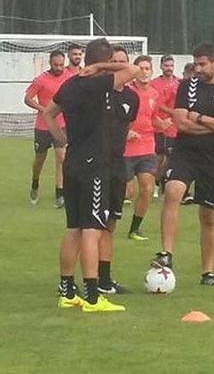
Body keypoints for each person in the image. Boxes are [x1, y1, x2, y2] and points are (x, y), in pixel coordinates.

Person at [44, 37, 141, 312]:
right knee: (92, 229)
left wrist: (62, 140)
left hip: (73, 161)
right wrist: (101, 66)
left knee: (73, 227)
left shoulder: (71, 83)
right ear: (103, 60)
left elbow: (49, 114)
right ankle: (92, 297)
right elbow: (133, 70)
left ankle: (66, 291)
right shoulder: (96, 83)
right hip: (94, 165)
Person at [150, 44, 214, 288]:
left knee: (208, 216)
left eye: (203, 64)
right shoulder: (187, 86)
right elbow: (181, 123)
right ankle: (166, 253)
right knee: (172, 191)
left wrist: (201, 119)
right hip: (186, 152)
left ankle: (207, 273)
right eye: (196, 64)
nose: (198, 69)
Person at [97, 46, 141, 295]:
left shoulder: (132, 98)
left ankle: (105, 278)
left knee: (111, 223)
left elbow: (126, 126)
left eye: (123, 62)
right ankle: (90, 279)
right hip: (95, 164)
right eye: (114, 62)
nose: (120, 66)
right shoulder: (97, 92)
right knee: (92, 224)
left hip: (116, 164)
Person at [125, 55, 164, 241]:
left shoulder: (155, 94)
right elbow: (114, 119)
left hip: (147, 147)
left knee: (147, 188)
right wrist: (125, 133)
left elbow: (152, 117)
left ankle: (135, 228)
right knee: (124, 192)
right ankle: (106, 223)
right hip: (125, 149)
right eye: (140, 68)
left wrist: (162, 124)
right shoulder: (126, 93)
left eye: (147, 68)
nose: (144, 72)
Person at [24, 50, 71, 207]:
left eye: (61, 65)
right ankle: (35, 184)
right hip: (43, 126)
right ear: (50, 63)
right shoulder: (41, 80)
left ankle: (60, 193)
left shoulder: (69, 77)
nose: (59, 68)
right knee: (40, 160)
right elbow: (28, 98)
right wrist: (42, 109)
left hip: (61, 125)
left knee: (61, 158)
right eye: (55, 65)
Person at [151, 55, 178, 197]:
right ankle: (155, 183)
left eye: (171, 66)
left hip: (173, 127)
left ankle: (163, 182)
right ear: (161, 66)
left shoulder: (179, 83)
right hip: (158, 126)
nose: (169, 68)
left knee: (171, 158)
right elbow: (156, 104)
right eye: (166, 65)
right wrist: (171, 111)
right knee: (159, 157)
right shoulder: (154, 83)